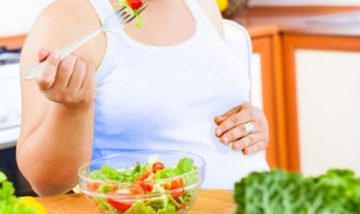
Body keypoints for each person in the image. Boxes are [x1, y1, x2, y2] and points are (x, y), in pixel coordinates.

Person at [17, 0, 269, 196]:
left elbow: (200, 104)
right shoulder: (67, 20)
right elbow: (46, 183)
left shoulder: (201, 4)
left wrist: (250, 123)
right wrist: (71, 111)